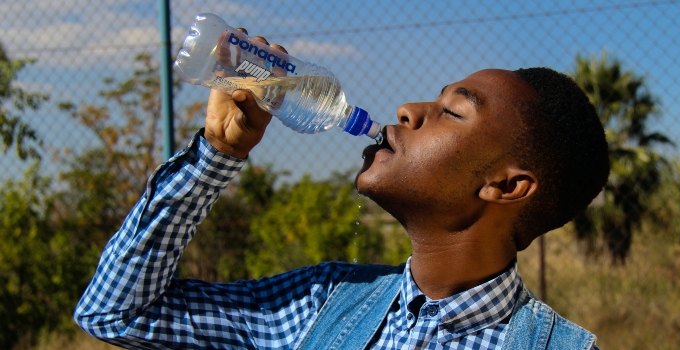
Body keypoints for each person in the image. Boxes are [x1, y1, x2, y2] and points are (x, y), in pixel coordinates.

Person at [74, 31, 608, 349]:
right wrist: (218, 154)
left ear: (507, 185)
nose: (409, 111)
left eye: (451, 111)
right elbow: (115, 312)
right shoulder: (321, 305)